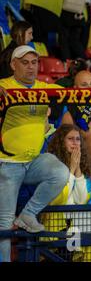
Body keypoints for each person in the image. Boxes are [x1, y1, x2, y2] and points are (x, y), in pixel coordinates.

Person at [0, 46, 69, 262]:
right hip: (7, 163)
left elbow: (78, 91)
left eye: (34, 62)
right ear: (13, 65)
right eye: (24, 62)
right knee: (3, 224)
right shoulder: (3, 85)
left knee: (59, 172)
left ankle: (28, 214)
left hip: (34, 161)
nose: (31, 67)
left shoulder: (46, 88)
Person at [46, 124, 91, 206]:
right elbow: (58, 199)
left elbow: (81, 201)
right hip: (56, 217)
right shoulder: (51, 164)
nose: (75, 143)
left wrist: (77, 168)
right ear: (61, 142)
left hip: (74, 218)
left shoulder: (83, 166)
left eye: (78, 139)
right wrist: (71, 170)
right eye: (70, 139)